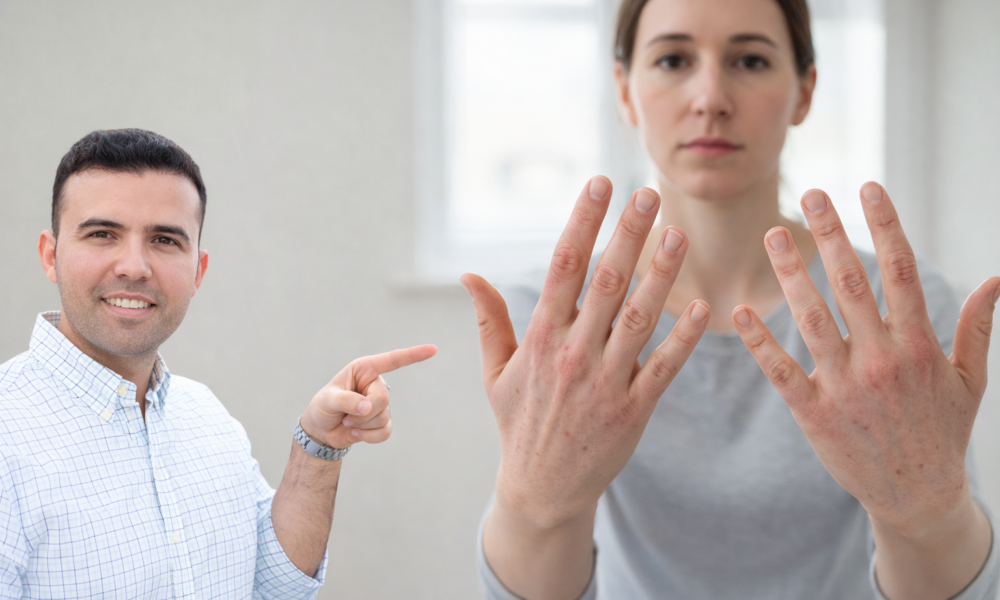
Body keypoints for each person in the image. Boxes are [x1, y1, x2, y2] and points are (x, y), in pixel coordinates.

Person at [462, 0, 999, 598]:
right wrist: (533, 503)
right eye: (673, 60)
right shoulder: (558, 317)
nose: (710, 98)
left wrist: (928, 513)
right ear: (624, 89)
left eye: (750, 60)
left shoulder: (895, 311)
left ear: (805, 90)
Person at [0, 128, 436, 598]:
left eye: (164, 240)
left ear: (198, 271)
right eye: (102, 234)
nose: (134, 266)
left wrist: (318, 446)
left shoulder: (205, 414)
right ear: (51, 255)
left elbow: (275, 588)